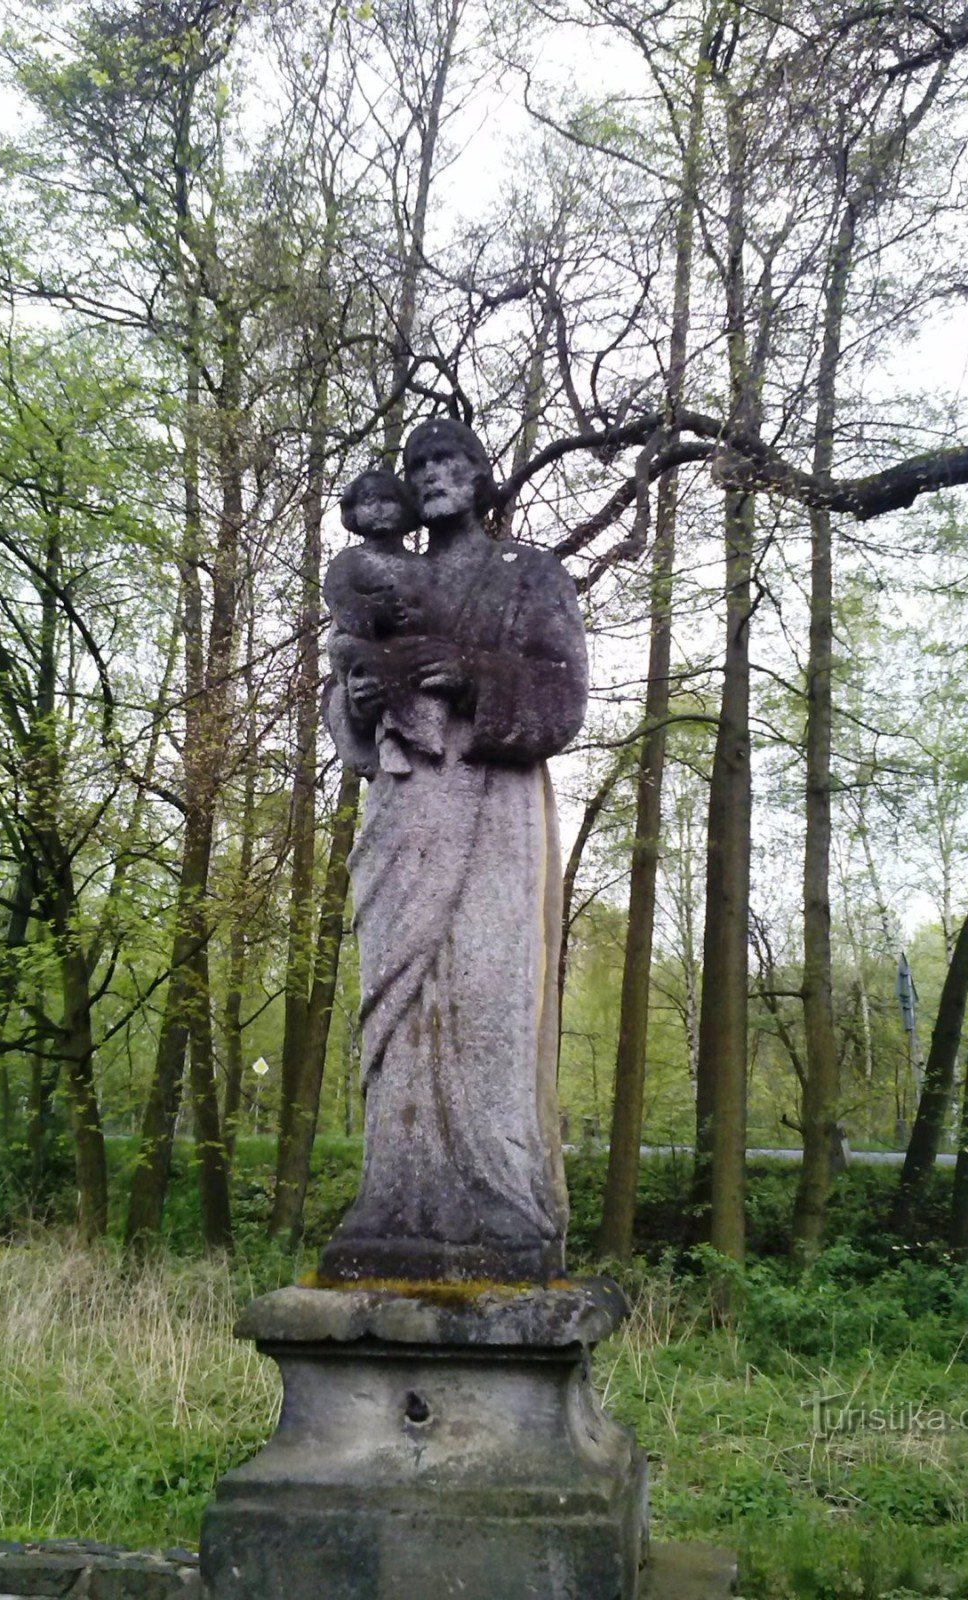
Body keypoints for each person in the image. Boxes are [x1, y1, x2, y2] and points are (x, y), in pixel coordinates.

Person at [320, 419, 588, 1283]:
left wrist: (471, 674)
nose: (433, 476)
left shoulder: (529, 575)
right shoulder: (382, 574)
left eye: (449, 462)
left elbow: (565, 695)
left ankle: (500, 1205)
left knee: (486, 995)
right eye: (419, 465)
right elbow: (347, 712)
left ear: (480, 476)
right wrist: (359, 698)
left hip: (494, 807)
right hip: (403, 809)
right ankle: (393, 1197)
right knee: (393, 999)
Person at [323, 468, 444, 777]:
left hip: (407, 644)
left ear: (405, 507)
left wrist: (413, 619)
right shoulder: (348, 562)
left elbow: (433, 611)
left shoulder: (420, 566)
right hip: (358, 644)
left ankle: (405, 733)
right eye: (368, 501)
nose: (378, 509)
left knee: (430, 669)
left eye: (388, 500)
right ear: (353, 511)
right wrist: (376, 615)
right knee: (369, 667)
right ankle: (385, 737)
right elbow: (341, 602)